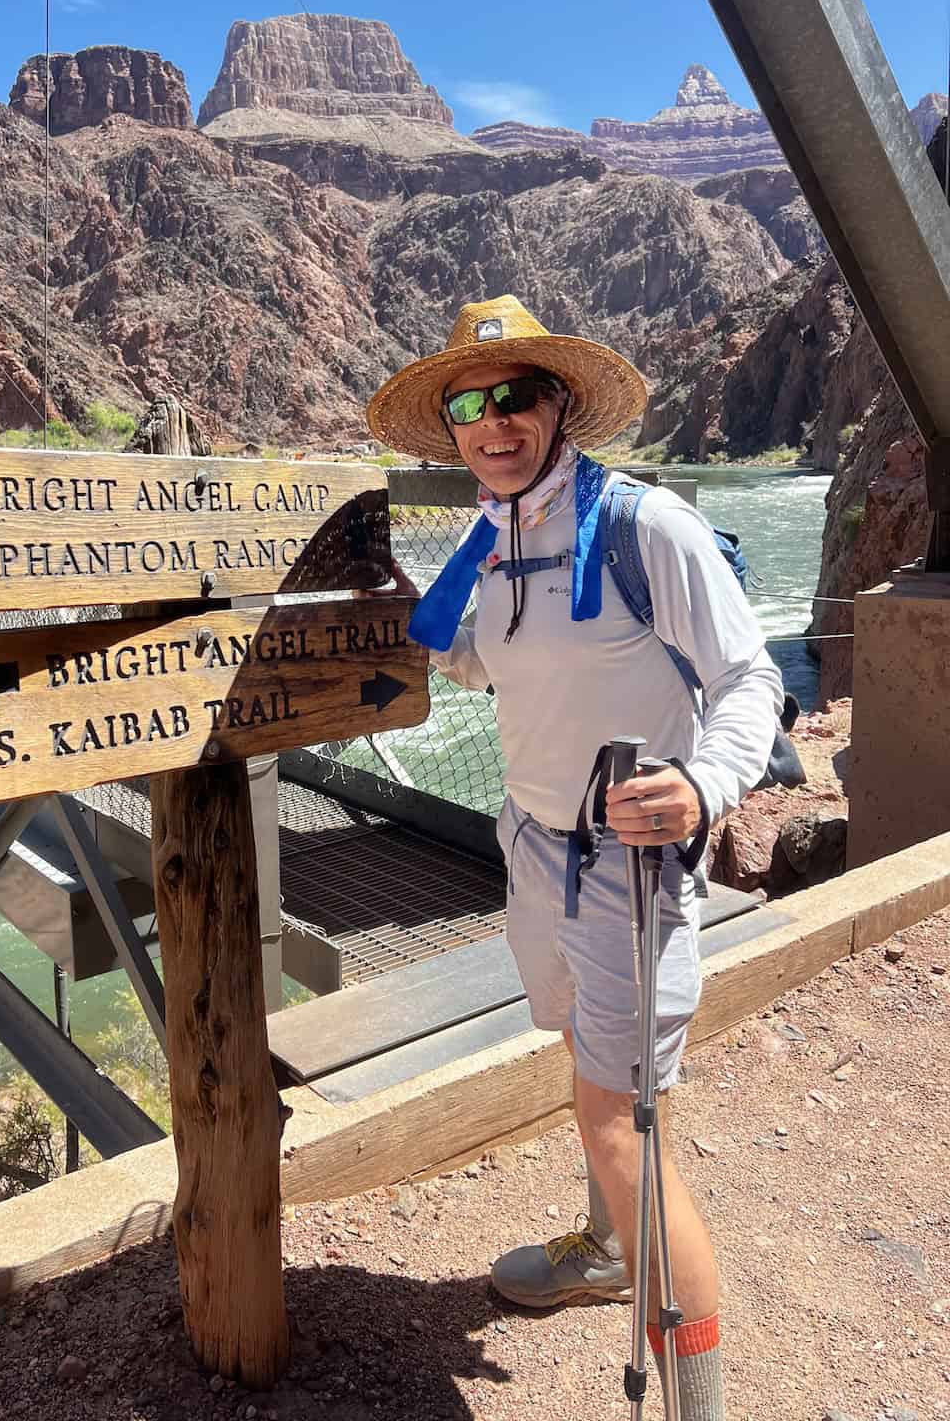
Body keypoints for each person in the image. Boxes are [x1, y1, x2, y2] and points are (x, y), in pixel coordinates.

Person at [363, 294, 783, 1421]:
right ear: (451, 424)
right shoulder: (488, 542)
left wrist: (701, 784)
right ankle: (608, 1249)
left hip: (631, 871)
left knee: (613, 1116)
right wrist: (404, 619)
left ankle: (699, 1403)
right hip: (532, 843)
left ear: (560, 406)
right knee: (602, 1075)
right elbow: (488, 671)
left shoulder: (651, 529)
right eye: (470, 403)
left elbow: (750, 680)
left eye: (516, 396)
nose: (494, 422)